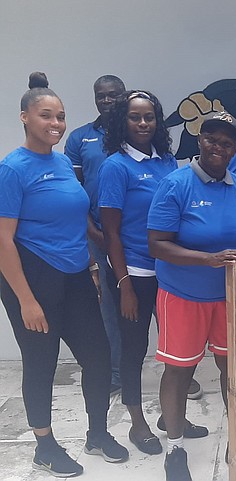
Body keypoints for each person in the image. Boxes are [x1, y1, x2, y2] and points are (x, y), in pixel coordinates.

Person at [0, 72, 128, 477]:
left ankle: (97, 433)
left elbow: (76, 220)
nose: (55, 124)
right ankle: (45, 445)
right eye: (45, 116)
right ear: (24, 117)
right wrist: (26, 300)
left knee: (98, 355)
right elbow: (3, 240)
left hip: (75, 275)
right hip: (33, 277)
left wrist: (92, 265)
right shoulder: (11, 169)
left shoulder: (60, 161)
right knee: (42, 363)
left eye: (61, 117)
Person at [148, 109, 236, 481]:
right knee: (179, 372)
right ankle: (175, 447)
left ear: (235, 148)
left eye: (227, 142)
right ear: (200, 140)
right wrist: (207, 259)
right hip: (183, 295)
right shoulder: (176, 184)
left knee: (233, 374)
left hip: (232, 299)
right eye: (212, 138)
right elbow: (157, 245)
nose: (218, 146)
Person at [99, 90, 203, 456]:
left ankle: (173, 417)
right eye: (134, 117)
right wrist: (124, 284)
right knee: (134, 348)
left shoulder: (168, 162)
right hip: (136, 275)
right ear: (122, 122)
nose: (143, 124)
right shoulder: (115, 166)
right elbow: (110, 232)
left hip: (170, 273)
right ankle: (137, 421)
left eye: (149, 117)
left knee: (180, 350)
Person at [65, 74, 126, 395]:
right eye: (101, 96)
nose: (107, 101)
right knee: (107, 306)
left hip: (135, 236)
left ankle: (179, 369)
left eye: (114, 95)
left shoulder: (136, 132)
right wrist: (91, 230)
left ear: (124, 95)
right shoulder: (79, 138)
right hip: (97, 235)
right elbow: (74, 191)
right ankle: (115, 372)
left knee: (157, 303)